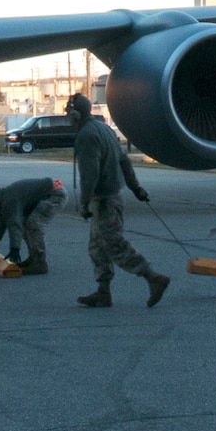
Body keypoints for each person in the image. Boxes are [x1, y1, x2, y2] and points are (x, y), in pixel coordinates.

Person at [67, 92, 169, 308]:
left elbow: (90, 175)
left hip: (103, 200)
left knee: (114, 245)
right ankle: (103, 293)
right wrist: (136, 188)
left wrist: (84, 203)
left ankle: (153, 278)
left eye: (69, 113)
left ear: (76, 114)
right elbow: (124, 161)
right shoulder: (104, 129)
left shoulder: (86, 135)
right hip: (111, 197)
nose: (68, 118)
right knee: (97, 247)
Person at [0, 177, 64, 273]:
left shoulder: (9, 200)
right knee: (26, 223)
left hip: (55, 195)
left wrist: (15, 248)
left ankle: (39, 263)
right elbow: (1, 223)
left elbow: (14, 224)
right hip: (47, 195)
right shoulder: (3, 199)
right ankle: (33, 258)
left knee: (33, 223)